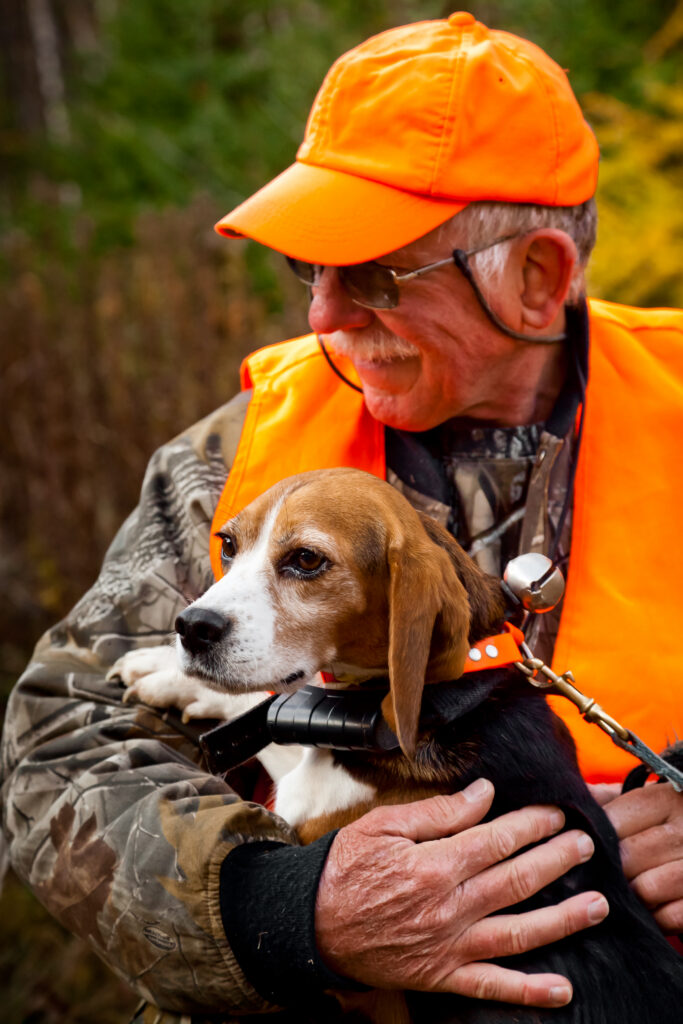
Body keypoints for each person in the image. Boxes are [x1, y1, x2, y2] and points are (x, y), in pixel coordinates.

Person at [2, 11, 682, 1023]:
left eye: (374, 275)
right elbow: (58, 742)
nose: (321, 318)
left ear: (536, 278)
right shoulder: (235, 457)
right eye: (309, 271)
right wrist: (282, 910)